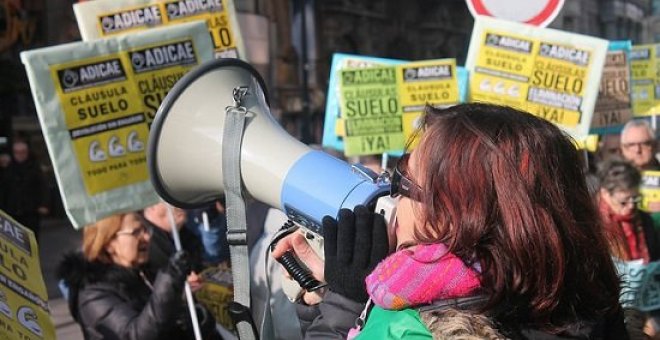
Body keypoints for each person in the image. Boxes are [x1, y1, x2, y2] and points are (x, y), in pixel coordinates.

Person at [273, 103, 628, 339]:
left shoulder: (415, 330)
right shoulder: (580, 302)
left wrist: (345, 305)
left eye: (402, 182)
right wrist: (326, 300)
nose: (392, 196)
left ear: (455, 215)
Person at [56, 212, 220, 340]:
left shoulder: (143, 271)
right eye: (136, 232)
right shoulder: (92, 293)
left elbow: (161, 317)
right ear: (109, 243)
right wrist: (168, 284)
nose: (147, 237)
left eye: (145, 229)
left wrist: (192, 315)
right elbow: (136, 335)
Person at [142, 202, 205, 289]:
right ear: (152, 206)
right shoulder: (144, 246)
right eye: (167, 199)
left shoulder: (188, 237)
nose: (178, 203)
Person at [0, 139, 49, 240]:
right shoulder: (7, 168)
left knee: (30, 240)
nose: (20, 155)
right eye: (17, 152)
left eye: (23, 152)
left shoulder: (34, 167)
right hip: (11, 211)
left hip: (30, 210)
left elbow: (43, 187)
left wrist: (43, 204)